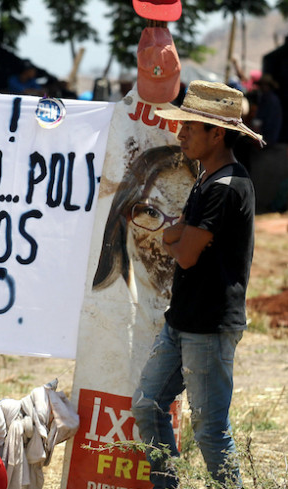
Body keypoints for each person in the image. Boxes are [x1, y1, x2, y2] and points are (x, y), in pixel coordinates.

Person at [131, 80, 263, 489]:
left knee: (209, 432)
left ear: (216, 133)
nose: (180, 133)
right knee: (147, 405)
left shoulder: (225, 187)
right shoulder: (207, 181)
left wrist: (174, 236)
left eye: (189, 126)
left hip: (209, 326)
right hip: (183, 320)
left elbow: (183, 250)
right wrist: (178, 236)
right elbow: (181, 240)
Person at [93, 145, 198, 312]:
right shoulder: (99, 308)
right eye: (151, 212)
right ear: (124, 213)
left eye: (182, 217)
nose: (165, 234)